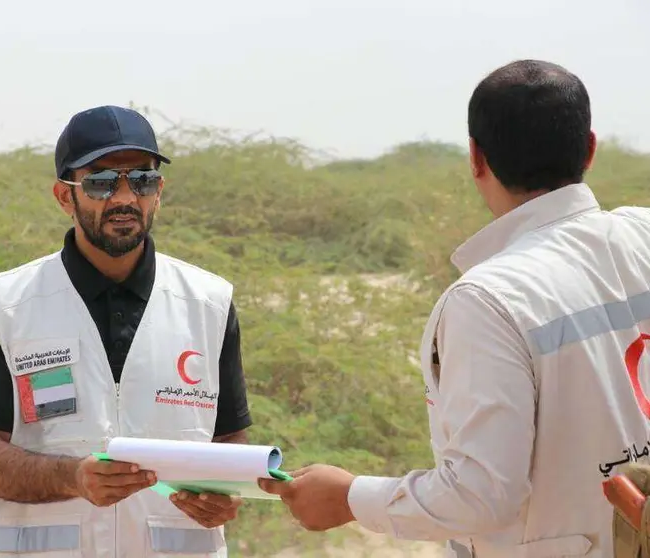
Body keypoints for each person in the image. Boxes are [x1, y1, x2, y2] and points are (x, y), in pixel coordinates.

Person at [259, 59, 650, 557]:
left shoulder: (489, 299)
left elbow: (482, 494)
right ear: (590, 148)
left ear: (476, 158)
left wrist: (349, 497)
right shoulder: (644, 233)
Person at [0, 105, 252, 558]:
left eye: (143, 180)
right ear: (63, 196)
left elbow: (229, 443)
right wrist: (71, 477)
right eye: (101, 182)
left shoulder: (209, 303)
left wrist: (226, 495)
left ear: (160, 191)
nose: (125, 198)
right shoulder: (8, 305)